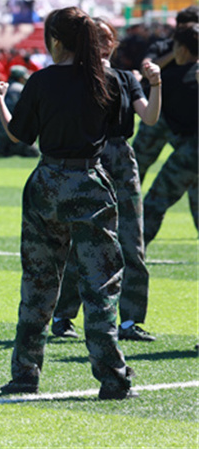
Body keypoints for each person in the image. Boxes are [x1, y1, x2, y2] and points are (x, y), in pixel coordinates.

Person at [0, 6, 134, 400]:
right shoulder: (108, 79)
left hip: (46, 182)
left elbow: (20, 134)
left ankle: (25, 373)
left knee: (38, 282)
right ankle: (112, 375)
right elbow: (121, 130)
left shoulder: (41, 80)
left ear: (55, 40)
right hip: (89, 183)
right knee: (100, 285)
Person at [51, 18, 162, 343]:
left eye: (107, 37)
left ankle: (130, 321)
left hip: (121, 158)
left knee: (132, 243)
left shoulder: (126, 78)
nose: (103, 43)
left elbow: (149, 117)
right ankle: (62, 315)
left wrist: (156, 84)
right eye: (96, 37)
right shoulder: (76, 78)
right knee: (82, 242)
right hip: (89, 157)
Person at [142, 23, 199, 245]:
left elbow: (142, 100)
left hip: (191, 152)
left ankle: (130, 256)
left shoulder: (173, 79)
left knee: (154, 203)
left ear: (181, 49)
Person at [0, 65, 39, 158]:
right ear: (20, 78)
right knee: (34, 153)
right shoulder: (20, 89)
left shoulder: (3, 87)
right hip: (14, 128)